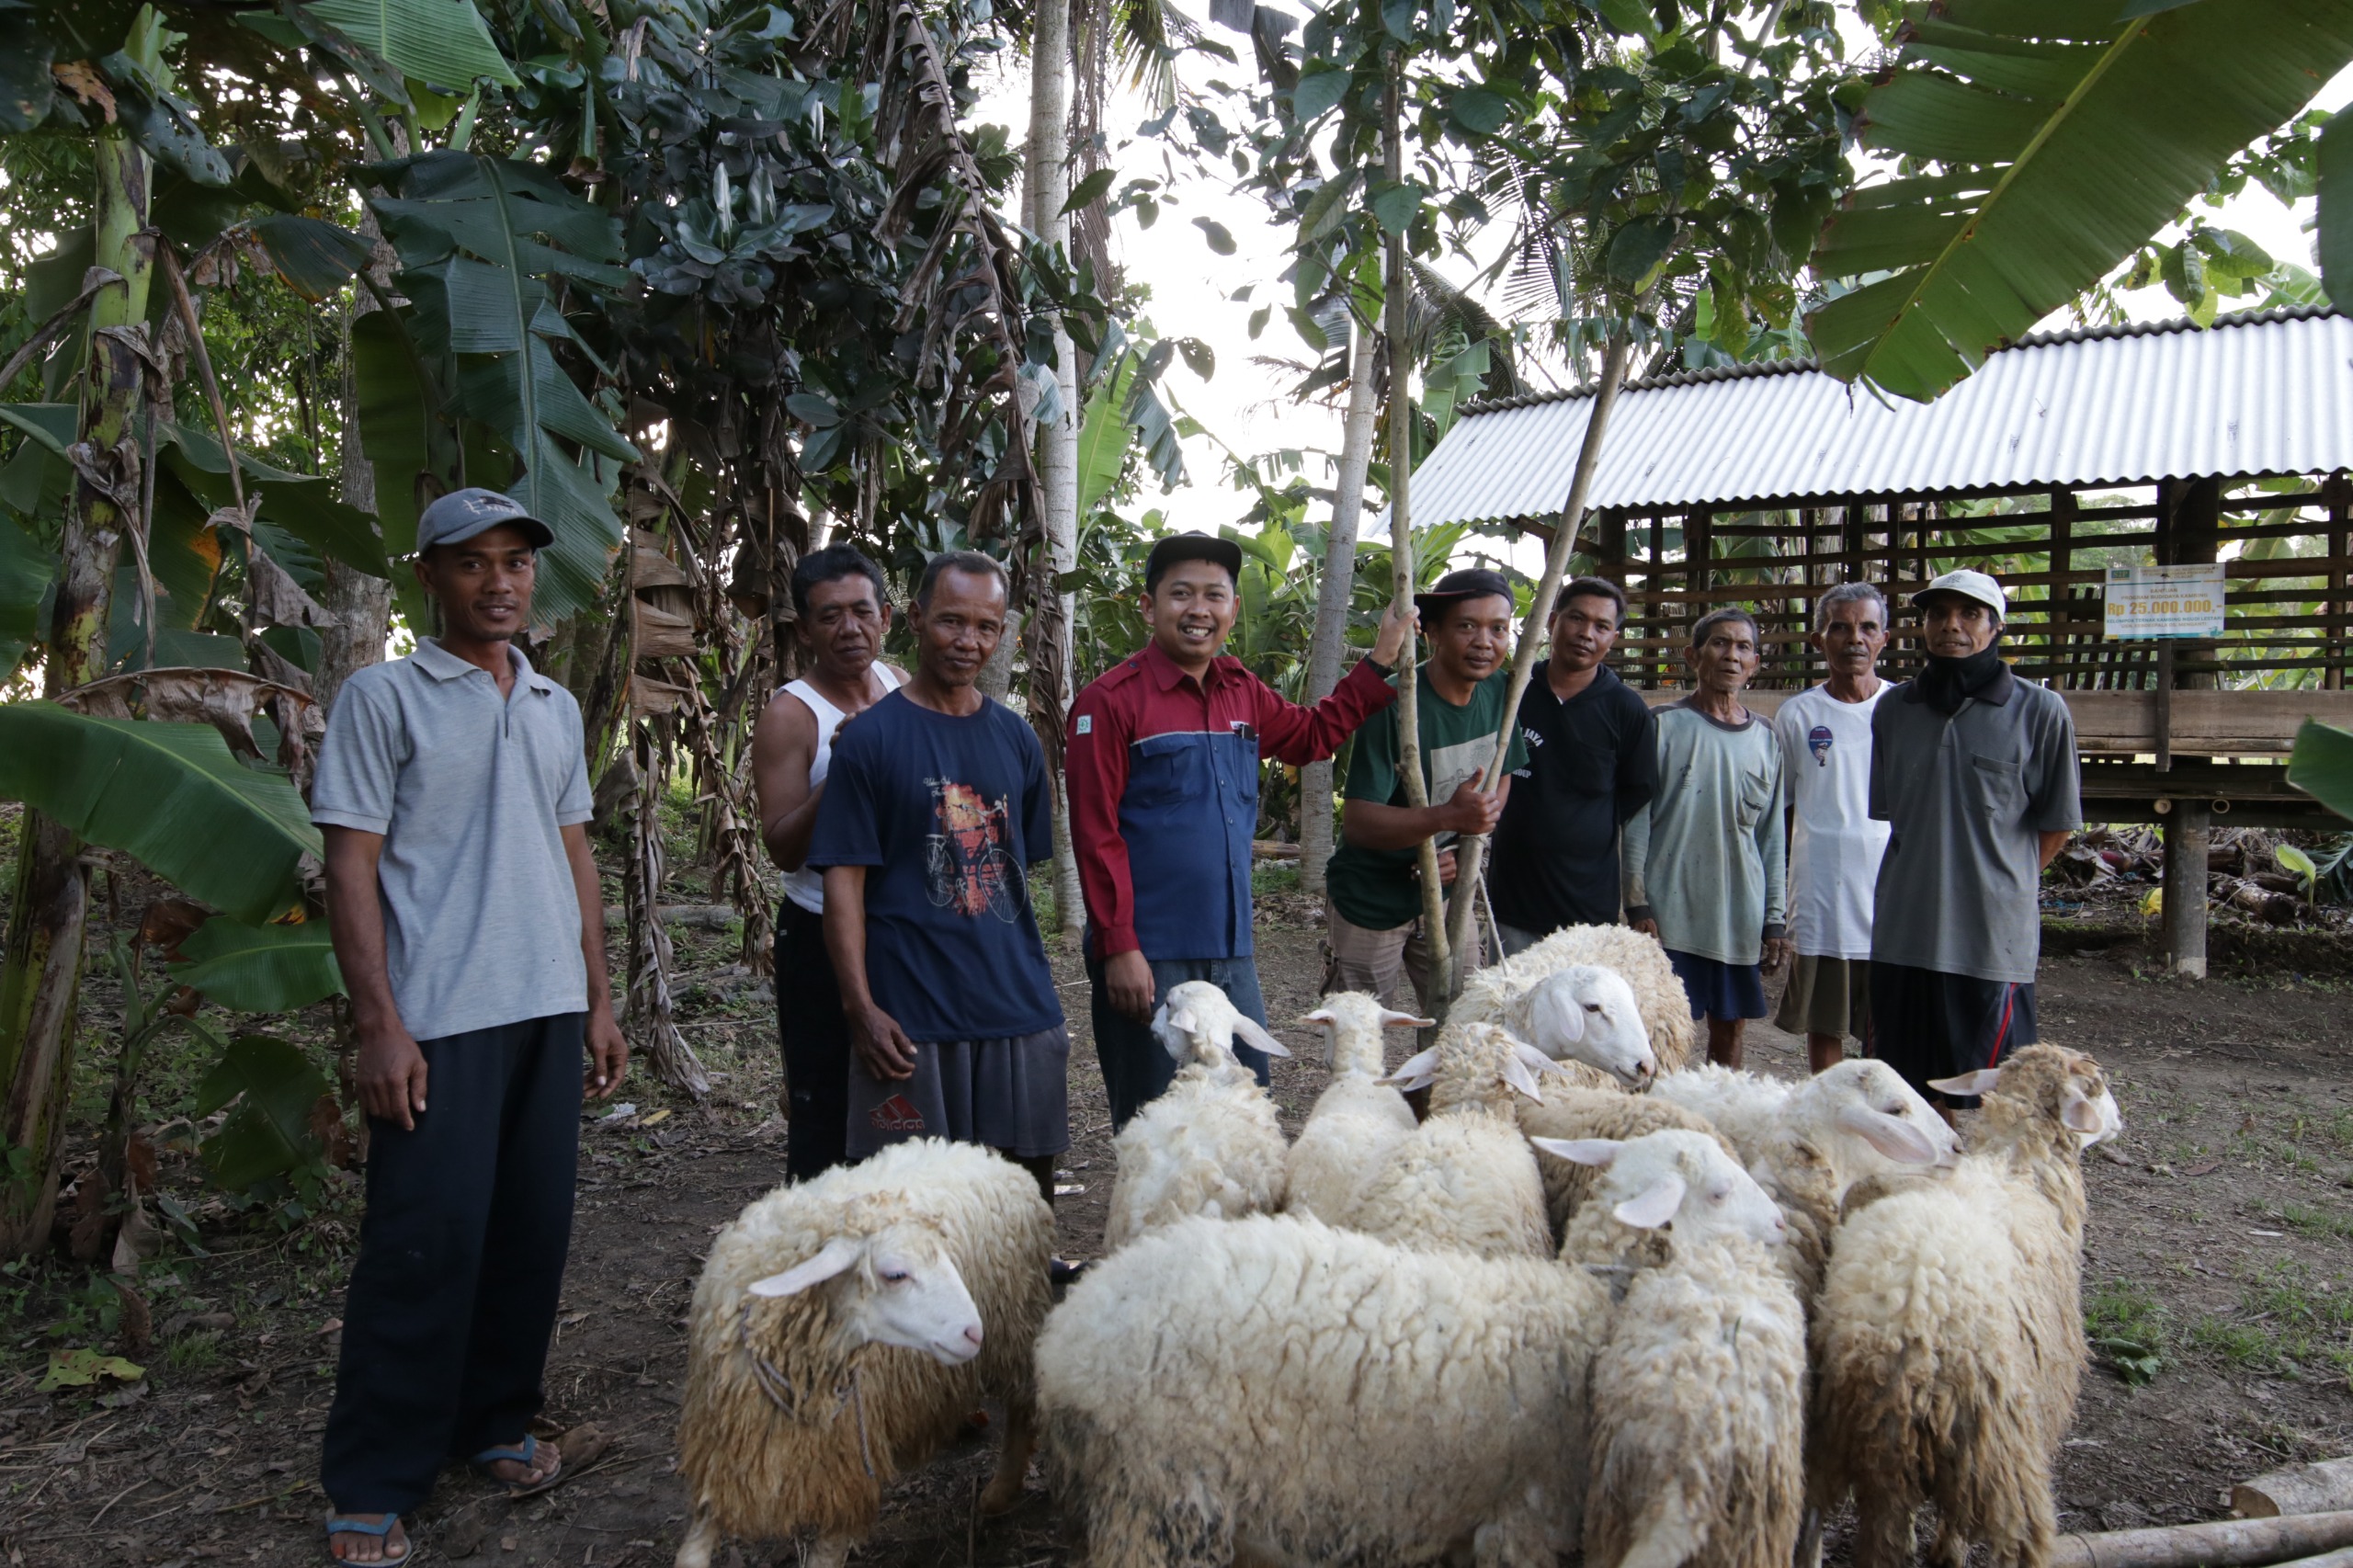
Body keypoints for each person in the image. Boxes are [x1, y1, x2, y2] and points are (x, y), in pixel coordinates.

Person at [312, 488, 630, 1565]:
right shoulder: (383, 697)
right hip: (440, 1015)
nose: (499, 581)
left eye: (516, 562)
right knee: (422, 1241)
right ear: (429, 577)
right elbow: (348, 863)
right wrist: (379, 1024)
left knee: (528, 1234)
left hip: (546, 1004)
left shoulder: (551, 702)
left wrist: (598, 993)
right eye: (472, 562)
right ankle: (374, 1477)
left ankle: (494, 1422)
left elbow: (574, 852)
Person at [1066, 531, 1413, 1130]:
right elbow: (1096, 834)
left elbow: (1308, 737)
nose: (1199, 609)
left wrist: (1379, 660)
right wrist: (1119, 945)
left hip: (1232, 947)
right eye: (1181, 594)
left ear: (1231, 609)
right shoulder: (1110, 702)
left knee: (1247, 1103)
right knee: (1156, 1115)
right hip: (1150, 952)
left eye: (1215, 595)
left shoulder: (1240, 689)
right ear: (1149, 607)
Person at [807, 551, 1068, 1196]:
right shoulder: (869, 741)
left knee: (1018, 1207)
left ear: (1002, 634)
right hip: (912, 1017)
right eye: (952, 622)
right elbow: (844, 885)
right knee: (909, 1211)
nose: (967, 641)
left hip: (1016, 1009)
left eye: (985, 627)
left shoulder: (1017, 739)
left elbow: (1013, 877)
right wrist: (860, 1008)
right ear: (917, 620)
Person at [1869, 569, 2081, 1118]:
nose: (1951, 626)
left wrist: (2000, 883)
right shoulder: (1895, 710)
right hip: (1905, 932)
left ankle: (1987, 1196)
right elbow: (1893, 815)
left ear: (1995, 627)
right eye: (1938, 614)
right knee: (1910, 1086)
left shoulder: (2040, 712)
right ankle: (1928, 1189)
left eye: (1968, 614)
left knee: (1997, 1091)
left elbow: (2055, 824)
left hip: (1991, 942)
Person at [749, 545, 907, 1179]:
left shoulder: (899, 687)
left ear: (887, 616)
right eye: (831, 616)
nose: (850, 629)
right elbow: (782, 846)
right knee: (826, 1105)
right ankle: (813, 1252)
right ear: (806, 628)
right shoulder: (792, 715)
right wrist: (840, 771)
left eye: (862, 612)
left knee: (907, 1092)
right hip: (818, 932)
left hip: (900, 927)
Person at [1324, 568, 1528, 1016]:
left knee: (1461, 1024)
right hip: (1372, 898)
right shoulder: (1396, 703)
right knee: (1363, 1037)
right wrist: (1447, 821)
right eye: (1467, 626)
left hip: (1448, 892)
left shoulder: (1500, 693)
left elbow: (1505, 772)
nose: (1484, 642)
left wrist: (1470, 835)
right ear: (1432, 631)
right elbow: (1358, 822)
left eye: (1498, 628)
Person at [1624, 608, 1789, 1070]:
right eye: (1719, 643)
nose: (1731, 656)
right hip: (1670, 913)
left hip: (1738, 912)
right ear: (1692, 655)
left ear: (1755, 664)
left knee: (1731, 1027)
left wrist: (1773, 918)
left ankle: (1718, 1126)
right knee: (1663, 1032)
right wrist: (1637, 902)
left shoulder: (1768, 739)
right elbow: (1637, 820)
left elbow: (1772, 836)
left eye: (1743, 647)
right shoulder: (1663, 726)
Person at [1487, 575, 1658, 954]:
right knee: (1513, 1004)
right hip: (1514, 898)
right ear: (1552, 621)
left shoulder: (1626, 710)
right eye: (1577, 619)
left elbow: (1638, 790)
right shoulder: (1513, 691)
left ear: (1613, 639)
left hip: (1589, 904)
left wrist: (1581, 822)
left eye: (1602, 626)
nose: (1586, 633)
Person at [1772, 582, 1893, 1074]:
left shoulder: (1902, 708)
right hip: (1822, 892)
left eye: (1867, 627)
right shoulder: (1798, 715)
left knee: (1885, 1023)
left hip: (1889, 891)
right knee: (1825, 1024)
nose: (1854, 639)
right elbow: (1781, 811)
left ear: (1885, 638)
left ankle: (1883, 1126)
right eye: (1840, 627)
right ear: (1819, 639)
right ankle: (1831, 1120)